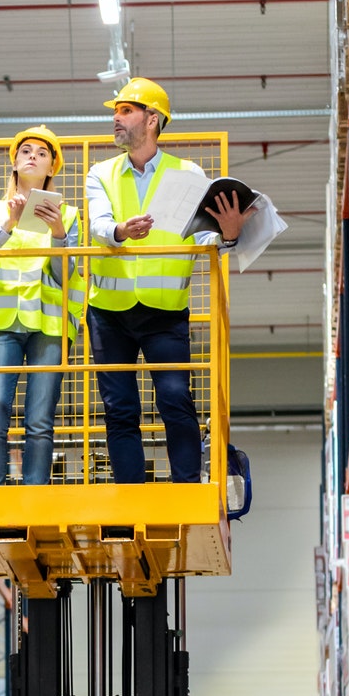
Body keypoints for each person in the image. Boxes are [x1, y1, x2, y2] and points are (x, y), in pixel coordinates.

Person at [85, 78, 252, 484]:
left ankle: (186, 487)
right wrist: (122, 231)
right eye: (116, 111)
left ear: (153, 120)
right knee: (119, 407)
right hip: (109, 312)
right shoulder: (101, 173)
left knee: (176, 398)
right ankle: (130, 496)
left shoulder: (188, 174)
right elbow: (98, 226)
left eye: (126, 111)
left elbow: (204, 238)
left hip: (165, 313)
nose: (116, 118)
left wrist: (229, 233)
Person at [0, 125, 83, 486]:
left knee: (40, 420)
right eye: (26, 150)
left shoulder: (68, 216)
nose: (33, 155)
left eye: (42, 153)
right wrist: (8, 226)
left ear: (52, 168)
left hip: (48, 327)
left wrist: (60, 235)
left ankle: (35, 496)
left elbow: (66, 277)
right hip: (1, 326)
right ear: (15, 163)